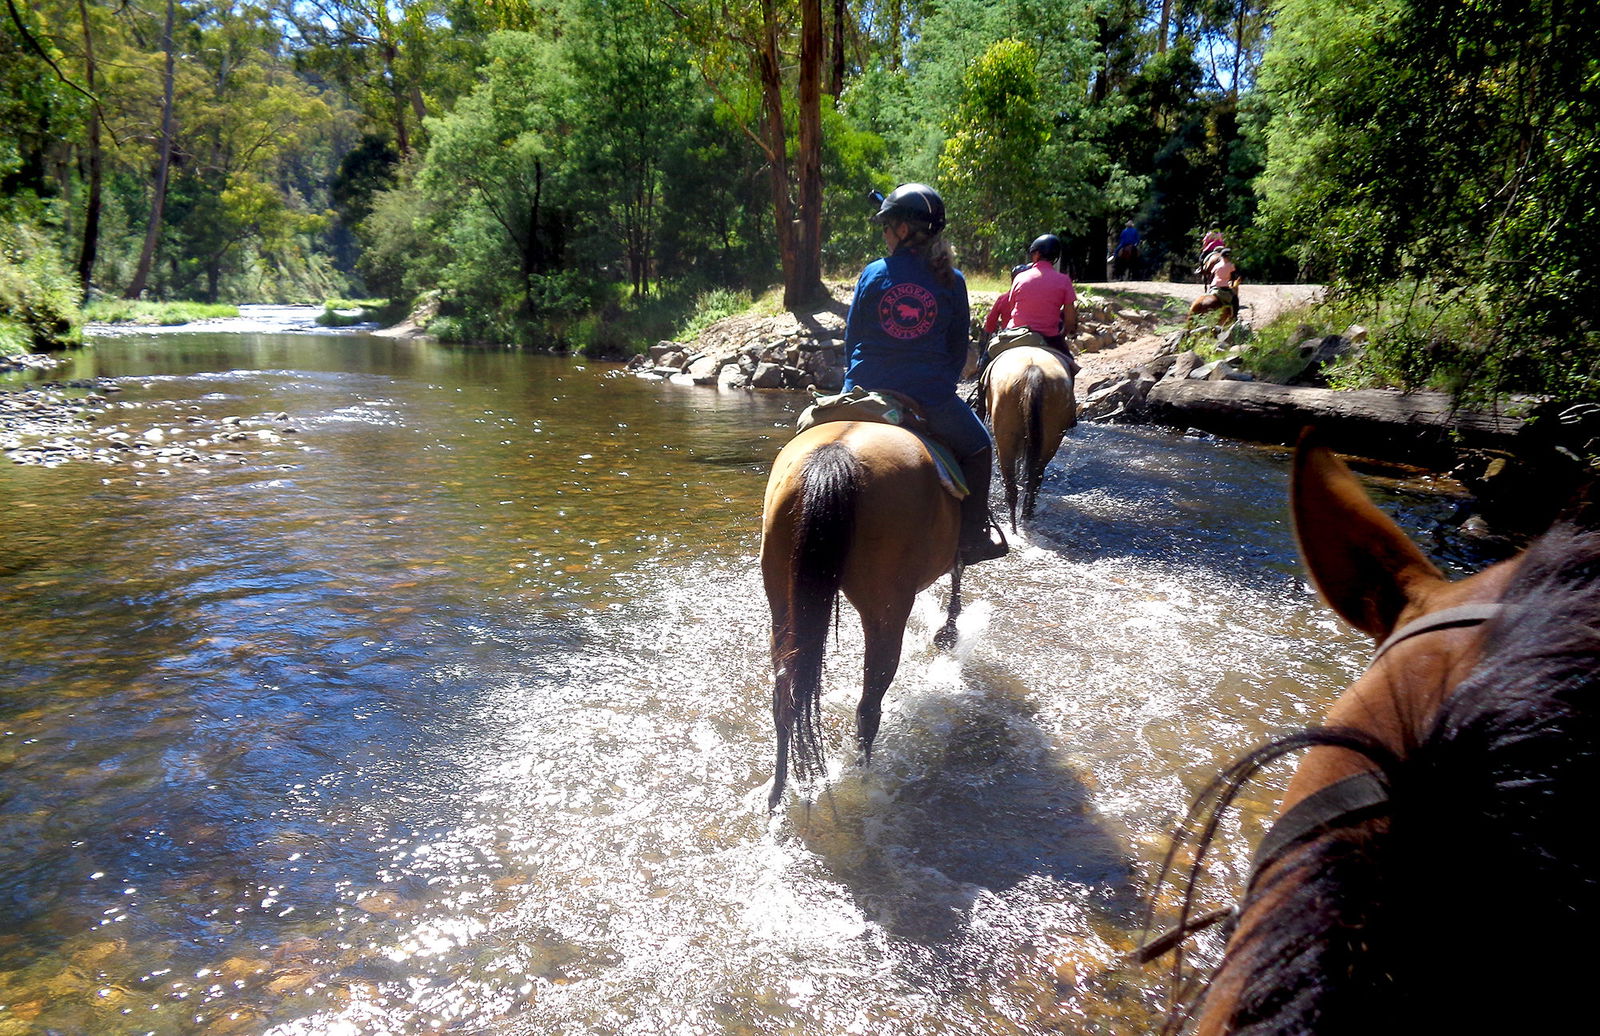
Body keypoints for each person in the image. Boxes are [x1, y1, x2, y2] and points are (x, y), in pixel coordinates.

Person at [842, 183, 1007, 565]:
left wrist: (852, 384)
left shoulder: (871, 273)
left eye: (886, 227)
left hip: (864, 387)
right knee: (980, 447)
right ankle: (972, 538)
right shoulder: (953, 279)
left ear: (902, 231)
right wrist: (939, 387)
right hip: (927, 394)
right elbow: (954, 349)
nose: (883, 234)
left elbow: (852, 339)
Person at [978, 233, 1080, 376]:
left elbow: (1013, 306)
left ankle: (981, 397)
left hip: (1015, 335)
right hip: (1049, 337)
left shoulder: (1020, 278)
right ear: (1055, 256)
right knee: (1070, 368)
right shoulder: (1064, 280)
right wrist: (1061, 335)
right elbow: (1070, 320)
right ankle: (1069, 398)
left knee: (987, 361)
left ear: (1036, 254)